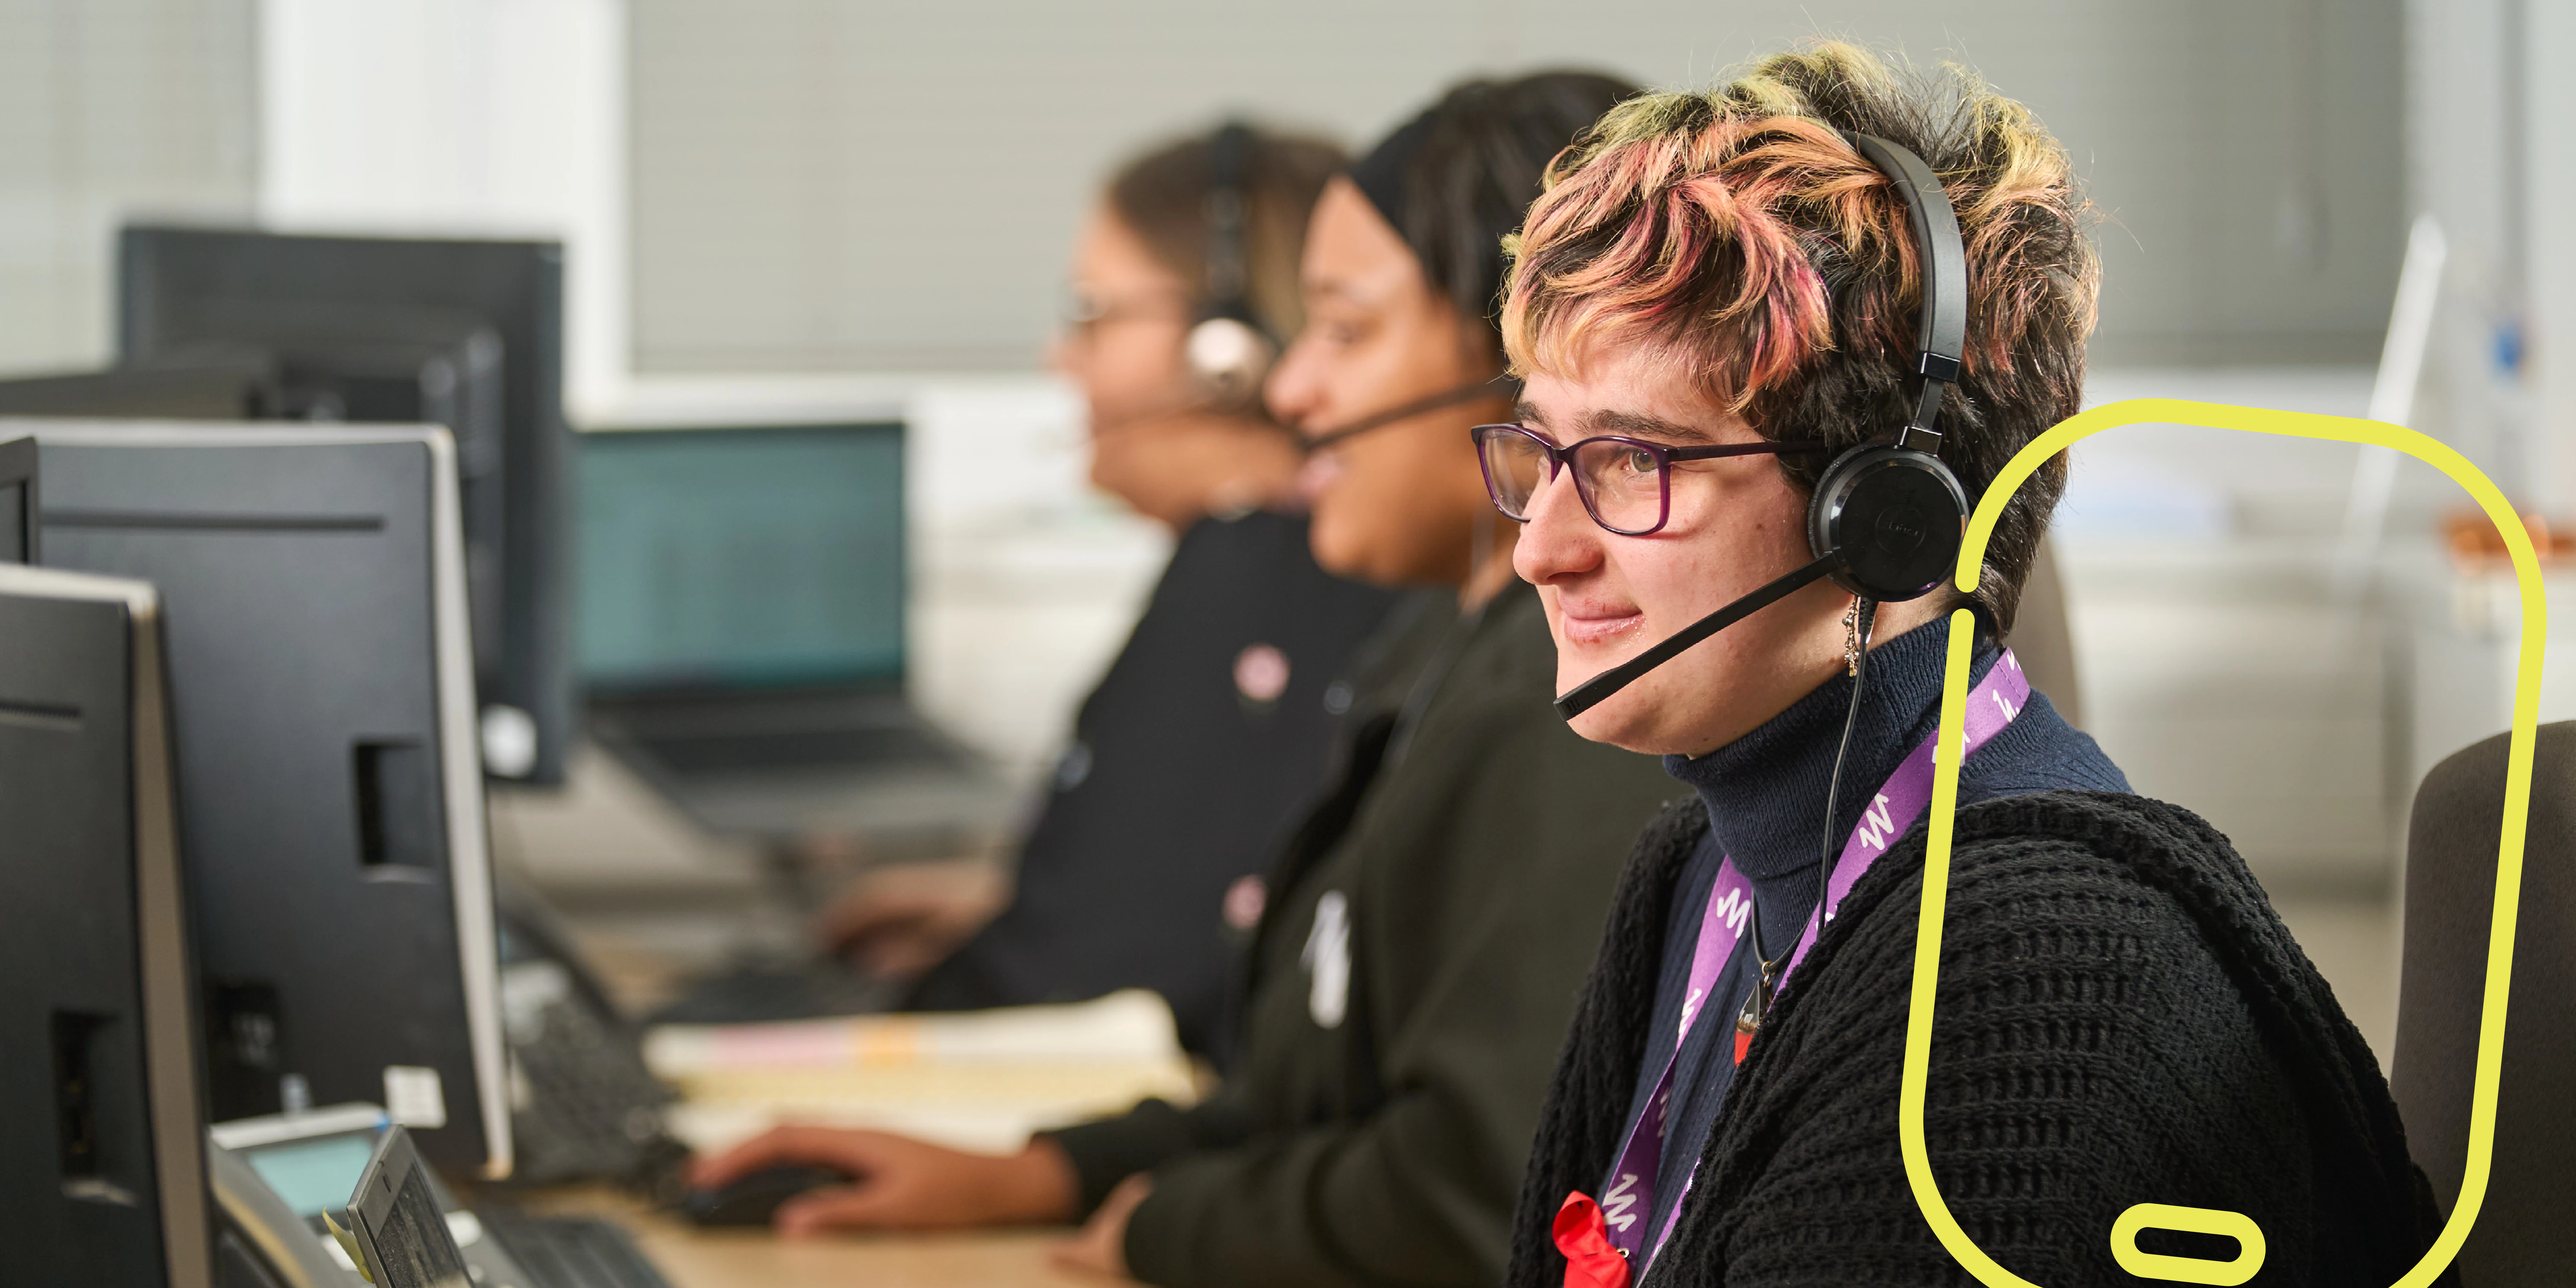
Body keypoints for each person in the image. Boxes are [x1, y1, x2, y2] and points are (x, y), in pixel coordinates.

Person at [1484, 44, 2448, 1287]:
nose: (1541, 551)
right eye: (1539, 449)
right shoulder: (1702, 872)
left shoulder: (2025, 985)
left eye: (1633, 462)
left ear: (1885, 517)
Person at [693, 71, 1674, 1288]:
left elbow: (1478, 1187)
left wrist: (1172, 1229)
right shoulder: (1433, 660)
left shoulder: (1559, 702)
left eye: (1348, 330)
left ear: (1521, 361)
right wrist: (1045, 1172)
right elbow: (1304, 1100)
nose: (1291, 387)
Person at [812, 124, 1402, 1056]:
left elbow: (1104, 983)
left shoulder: (1248, 576)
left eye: (1094, 314)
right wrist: (1005, 908)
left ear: (1228, 350)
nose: (1061, 356)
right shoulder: (1300, 565)